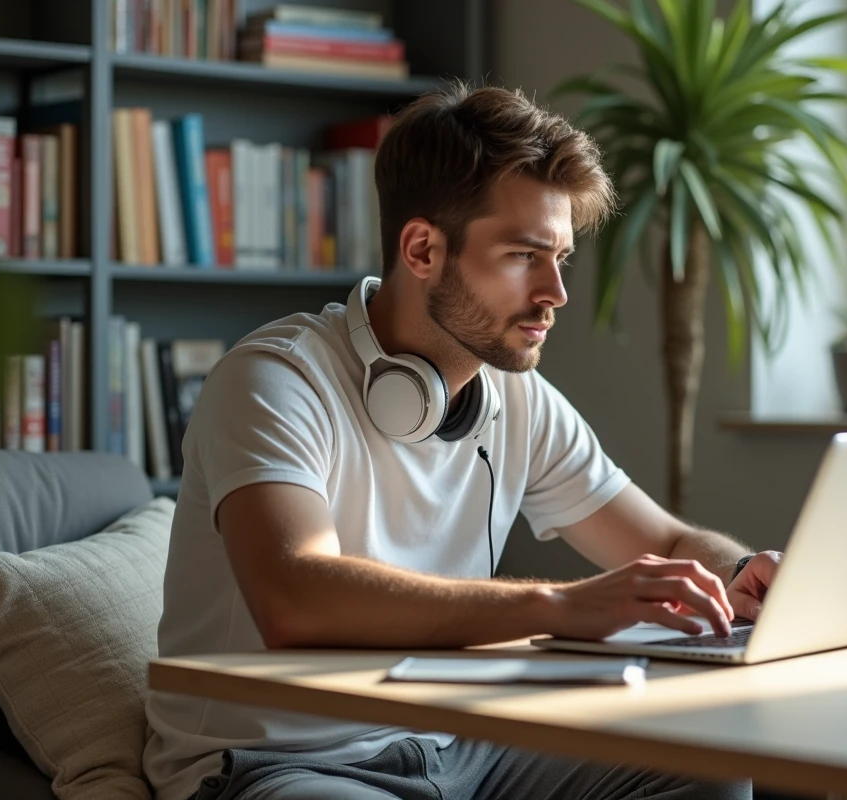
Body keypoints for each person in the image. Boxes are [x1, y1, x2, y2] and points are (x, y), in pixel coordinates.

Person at [143, 82, 785, 800]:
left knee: (709, 769)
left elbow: (665, 544)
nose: (556, 294)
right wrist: (560, 605)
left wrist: (739, 572)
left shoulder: (516, 396)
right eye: (523, 256)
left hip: (458, 745)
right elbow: (295, 599)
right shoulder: (274, 380)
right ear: (422, 248)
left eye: (562, 260)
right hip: (278, 763)